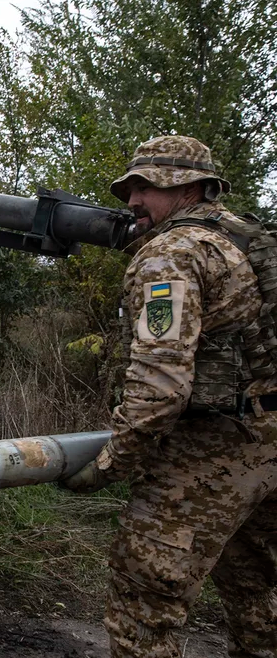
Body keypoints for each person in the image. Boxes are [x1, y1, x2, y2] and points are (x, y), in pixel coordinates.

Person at [62, 135, 277, 657]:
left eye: (148, 186)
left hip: (212, 449)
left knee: (143, 606)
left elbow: (160, 386)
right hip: (269, 438)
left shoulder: (170, 255)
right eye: (130, 187)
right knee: (258, 591)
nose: (133, 201)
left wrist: (110, 464)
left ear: (194, 189)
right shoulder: (253, 241)